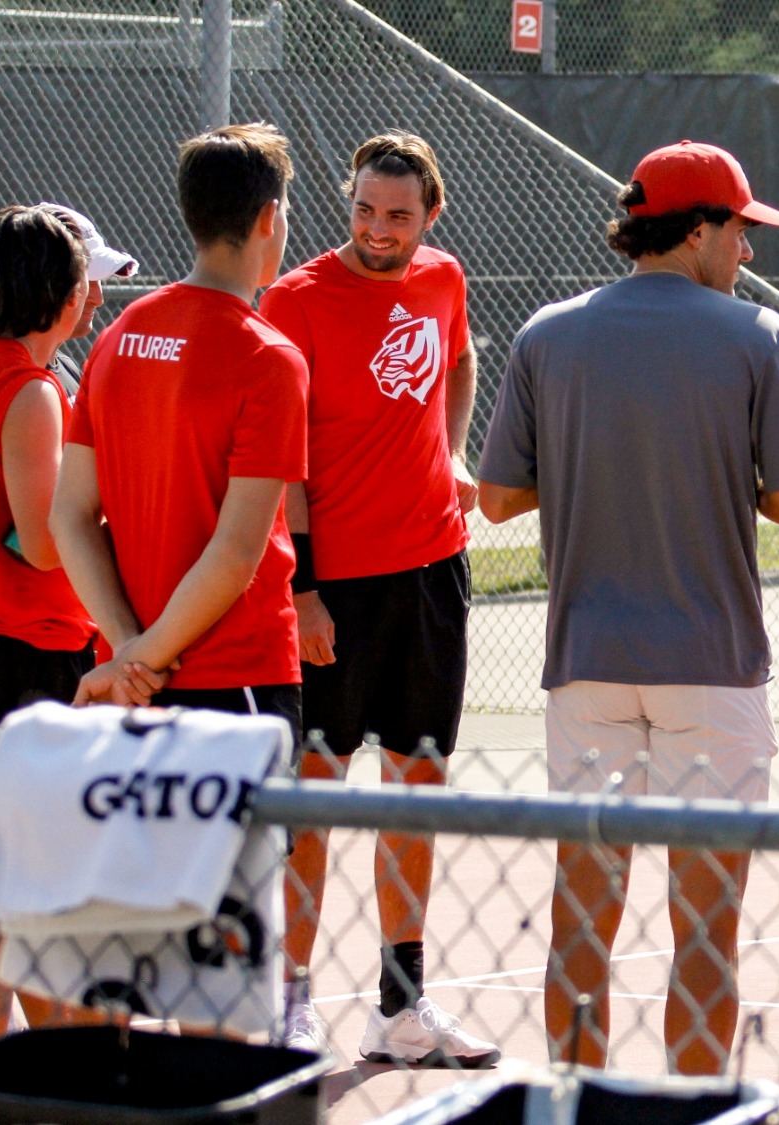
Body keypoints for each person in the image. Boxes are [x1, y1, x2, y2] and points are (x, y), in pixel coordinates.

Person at [477, 140, 779, 1073]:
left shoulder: (546, 333)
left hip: (586, 660)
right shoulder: (756, 335)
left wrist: (606, 462)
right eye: (741, 232)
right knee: (705, 925)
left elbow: (498, 498)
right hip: (709, 665)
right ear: (700, 231)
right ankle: (691, 1109)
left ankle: (570, 1099)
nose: (747, 253)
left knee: (582, 911)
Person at [257, 132, 496, 1066]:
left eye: (398, 214)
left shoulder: (443, 278)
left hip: (433, 571)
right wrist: (303, 587)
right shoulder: (297, 299)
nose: (377, 228)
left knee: (416, 785)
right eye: (363, 208)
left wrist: (454, 452)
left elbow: (463, 358)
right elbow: (284, 458)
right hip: (334, 590)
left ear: (429, 214)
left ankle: (401, 1005)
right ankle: (292, 998)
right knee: (315, 795)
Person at [51, 122, 307, 740]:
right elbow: (235, 554)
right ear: (270, 218)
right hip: (235, 675)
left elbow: (70, 517)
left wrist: (126, 650)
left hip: (134, 683)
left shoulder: (116, 336)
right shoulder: (270, 358)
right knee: (254, 842)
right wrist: (144, 656)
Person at [0, 205, 98, 1037]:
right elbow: (39, 544)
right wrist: (111, 521)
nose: (92, 301)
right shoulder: (30, 392)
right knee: (37, 889)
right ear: (57, 300)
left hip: (27, 651)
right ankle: (77, 1075)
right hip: (27, 658)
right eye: (81, 288)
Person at [37, 204, 136, 399]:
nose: (98, 299)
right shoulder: (11, 377)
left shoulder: (67, 367)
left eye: (97, 280)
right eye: (84, 280)